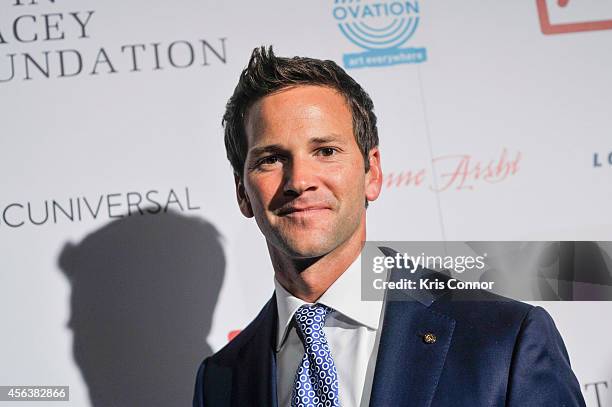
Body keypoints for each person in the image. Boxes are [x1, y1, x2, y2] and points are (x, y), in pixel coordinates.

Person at [192, 46, 586, 407]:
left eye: (325, 151)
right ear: (242, 193)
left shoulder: (504, 338)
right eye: (271, 159)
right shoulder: (221, 381)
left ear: (372, 172)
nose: (299, 180)